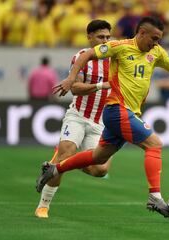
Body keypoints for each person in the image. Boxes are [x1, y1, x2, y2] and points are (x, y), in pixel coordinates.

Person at [36, 16, 169, 219]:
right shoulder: (120, 47)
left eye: (159, 39)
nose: (156, 43)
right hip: (116, 109)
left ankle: (55, 168)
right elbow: (87, 55)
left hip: (119, 114)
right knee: (154, 144)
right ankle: (155, 196)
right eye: (154, 38)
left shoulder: (156, 52)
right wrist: (71, 78)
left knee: (99, 162)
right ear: (141, 33)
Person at [35, 19, 113, 218]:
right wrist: (99, 85)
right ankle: (43, 206)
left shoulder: (115, 58)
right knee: (64, 155)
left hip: (99, 122)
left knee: (101, 170)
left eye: (107, 37)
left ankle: (65, 162)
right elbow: (75, 88)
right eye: (100, 37)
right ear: (89, 37)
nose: (105, 41)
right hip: (77, 116)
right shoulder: (81, 57)